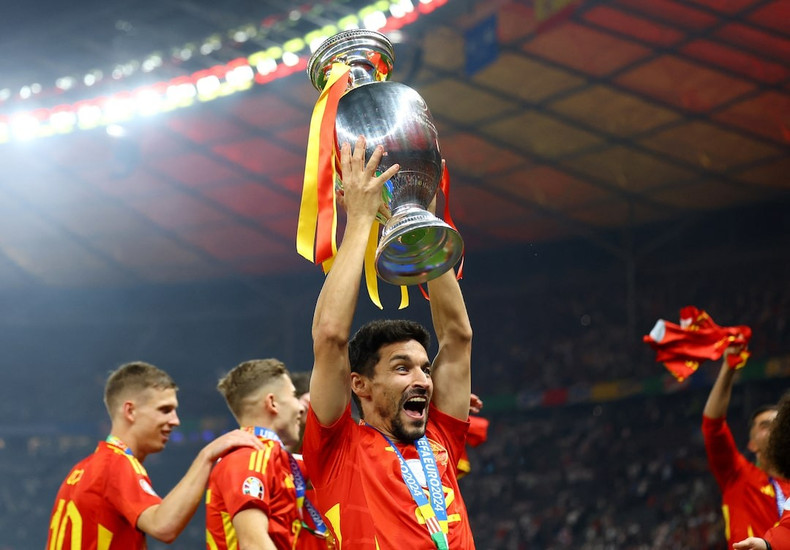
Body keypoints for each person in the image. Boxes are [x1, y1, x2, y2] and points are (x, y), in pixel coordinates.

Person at [302, 136, 475, 548]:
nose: (422, 379)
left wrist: (419, 226)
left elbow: (457, 337)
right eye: (402, 368)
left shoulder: (440, 437)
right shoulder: (337, 448)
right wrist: (360, 220)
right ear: (359, 383)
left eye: (424, 368)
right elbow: (329, 337)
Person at [46, 361, 263, 549]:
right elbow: (163, 526)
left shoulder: (81, 470)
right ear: (130, 411)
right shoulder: (116, 463)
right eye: (165, 410)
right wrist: (206, 456)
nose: (175, 420)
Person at [206, 358, 327, 549]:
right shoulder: (245, 458)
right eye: (294, 396)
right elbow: (254, 545)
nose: (301, 407)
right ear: (272, 403)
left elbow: (338, 467)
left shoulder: (281, 461)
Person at [703, 346, 790, 548]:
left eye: (778, 425)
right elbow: (713, 425)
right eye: (765, 426)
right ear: (751, 444)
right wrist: (728, 369)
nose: (774, 430)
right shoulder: (737, 475)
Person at [734, 391, 790, 549]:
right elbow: (787, 531)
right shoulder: (742, 476)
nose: (773, 431)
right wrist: (767, 545)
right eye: (766, 426)